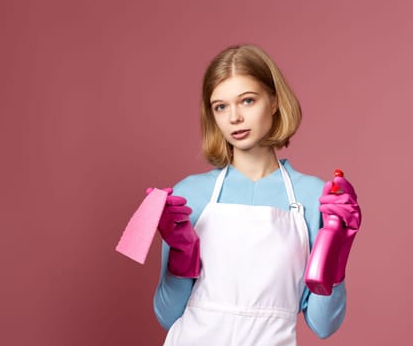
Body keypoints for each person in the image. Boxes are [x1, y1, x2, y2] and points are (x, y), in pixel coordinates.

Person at [151, 44, 361, 345]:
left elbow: (322, 325)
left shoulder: (314, 197)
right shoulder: (189, 196)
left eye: (247, 101)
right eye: (220, 106)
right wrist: (181, 259)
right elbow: (167, 316)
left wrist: (338, 250)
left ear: (274, 102)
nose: (234, 117)